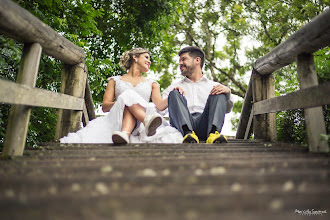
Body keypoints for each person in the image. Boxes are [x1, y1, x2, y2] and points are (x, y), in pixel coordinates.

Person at [60, 47, 183, 144]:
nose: (149, 61)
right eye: (146, 57)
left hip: (139, 125)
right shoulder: (115, 80)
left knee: (128, 98)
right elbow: (105, 106)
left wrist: (173, 94)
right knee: (127, 97)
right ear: (135, 57)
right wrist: (123, 102)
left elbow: (160, 106)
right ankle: (144, 121)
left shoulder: (152, 84)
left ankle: (125, 133)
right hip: (119, 119)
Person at [162, 46, 233, 144]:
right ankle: (188, 133)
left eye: (184, 59)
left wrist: (228, 94)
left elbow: (227, 110)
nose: (180, 63)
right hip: (183, 127)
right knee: (174, 93)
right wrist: (172, 96)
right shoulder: (175, 86)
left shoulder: (213, 85)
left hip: (206, 123)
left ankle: (213, 134)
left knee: (219, 91)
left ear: (197, 60)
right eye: (179, 61)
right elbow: (160, 109)